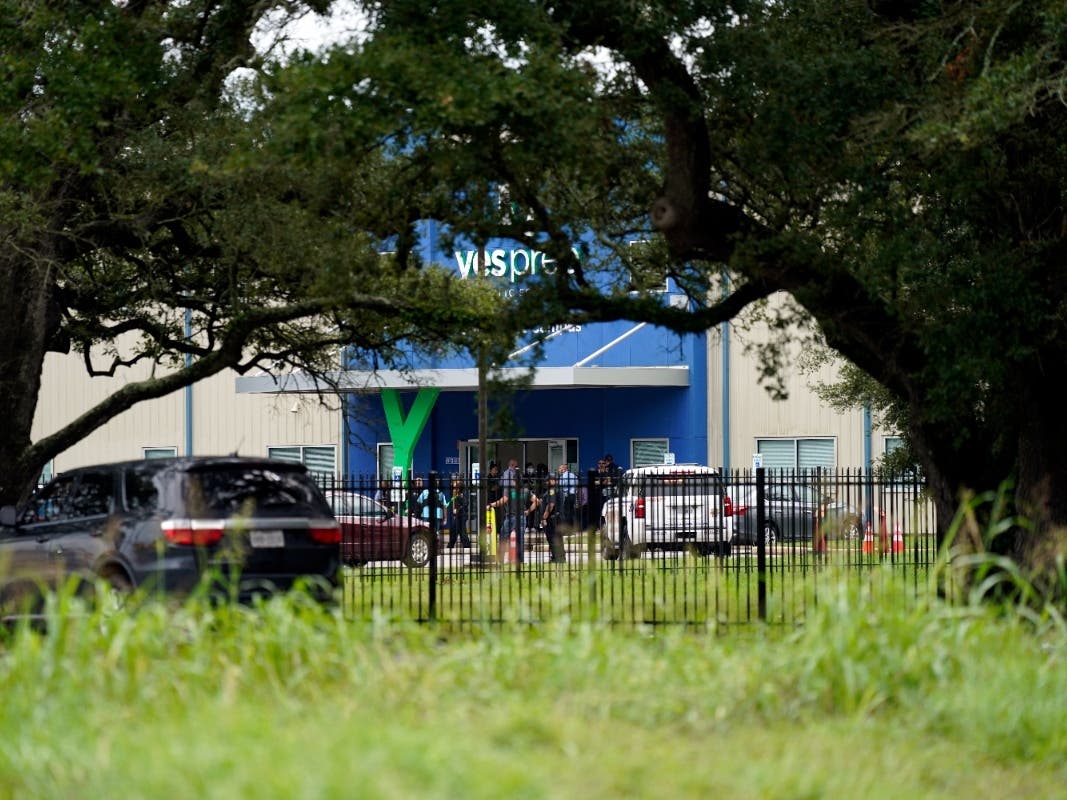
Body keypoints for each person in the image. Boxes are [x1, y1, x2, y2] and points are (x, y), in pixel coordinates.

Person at [540, 473, 566, 562]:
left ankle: (558, 558)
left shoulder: (552, 490)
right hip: (557, 518)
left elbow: (551, 505)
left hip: (553, 519)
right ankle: (558, 557)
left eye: (548, 480)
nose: (546, 482)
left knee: (553, 538)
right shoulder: (557, 490)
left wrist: (544, 517)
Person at [447, 475, 472, 549]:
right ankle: (465, 544)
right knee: (459, 530)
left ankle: (453, 544)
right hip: (459, 515)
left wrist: (457, 510)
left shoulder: (462, 494)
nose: (455, 486)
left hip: (462, 515)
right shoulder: (457, 493)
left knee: (458, 530)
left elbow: (465, 503)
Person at [556, 462, 577, 531]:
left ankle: (567, 528)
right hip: (573, 495)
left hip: (567, 495)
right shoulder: (573, 475)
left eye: (560, 468)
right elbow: (577, 483)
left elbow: (562, 487)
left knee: (566, 512)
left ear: (563, 469)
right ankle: (572, 527)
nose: (559, 470)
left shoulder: (563, 476)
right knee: (571, 512)